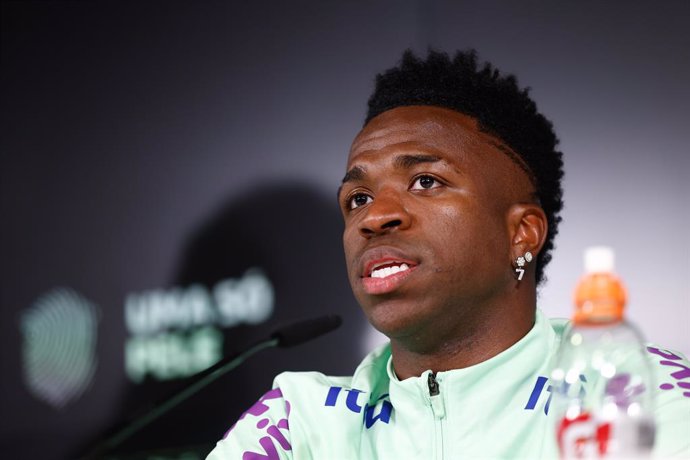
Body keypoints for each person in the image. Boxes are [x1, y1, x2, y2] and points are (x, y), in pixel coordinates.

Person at [207, 50, 690, 459]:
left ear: (522, 233)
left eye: (426, 181)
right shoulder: (298, 422)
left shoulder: (635, 391)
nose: (374, 218)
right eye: (358, 199)